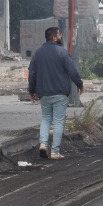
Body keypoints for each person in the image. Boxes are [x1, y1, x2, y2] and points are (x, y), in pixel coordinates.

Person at [27, 26, 83, 160]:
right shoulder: (62, 52)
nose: (61, 36)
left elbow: (32, 74)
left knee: (46, 119)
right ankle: (55, 151)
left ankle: (43, 144)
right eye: (59, 34)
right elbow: (72, 71)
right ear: (53, 37)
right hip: (60, 92)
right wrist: (79, 84)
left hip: (44, 93)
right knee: (58, 122)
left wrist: (31, 90)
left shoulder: (38, 53)